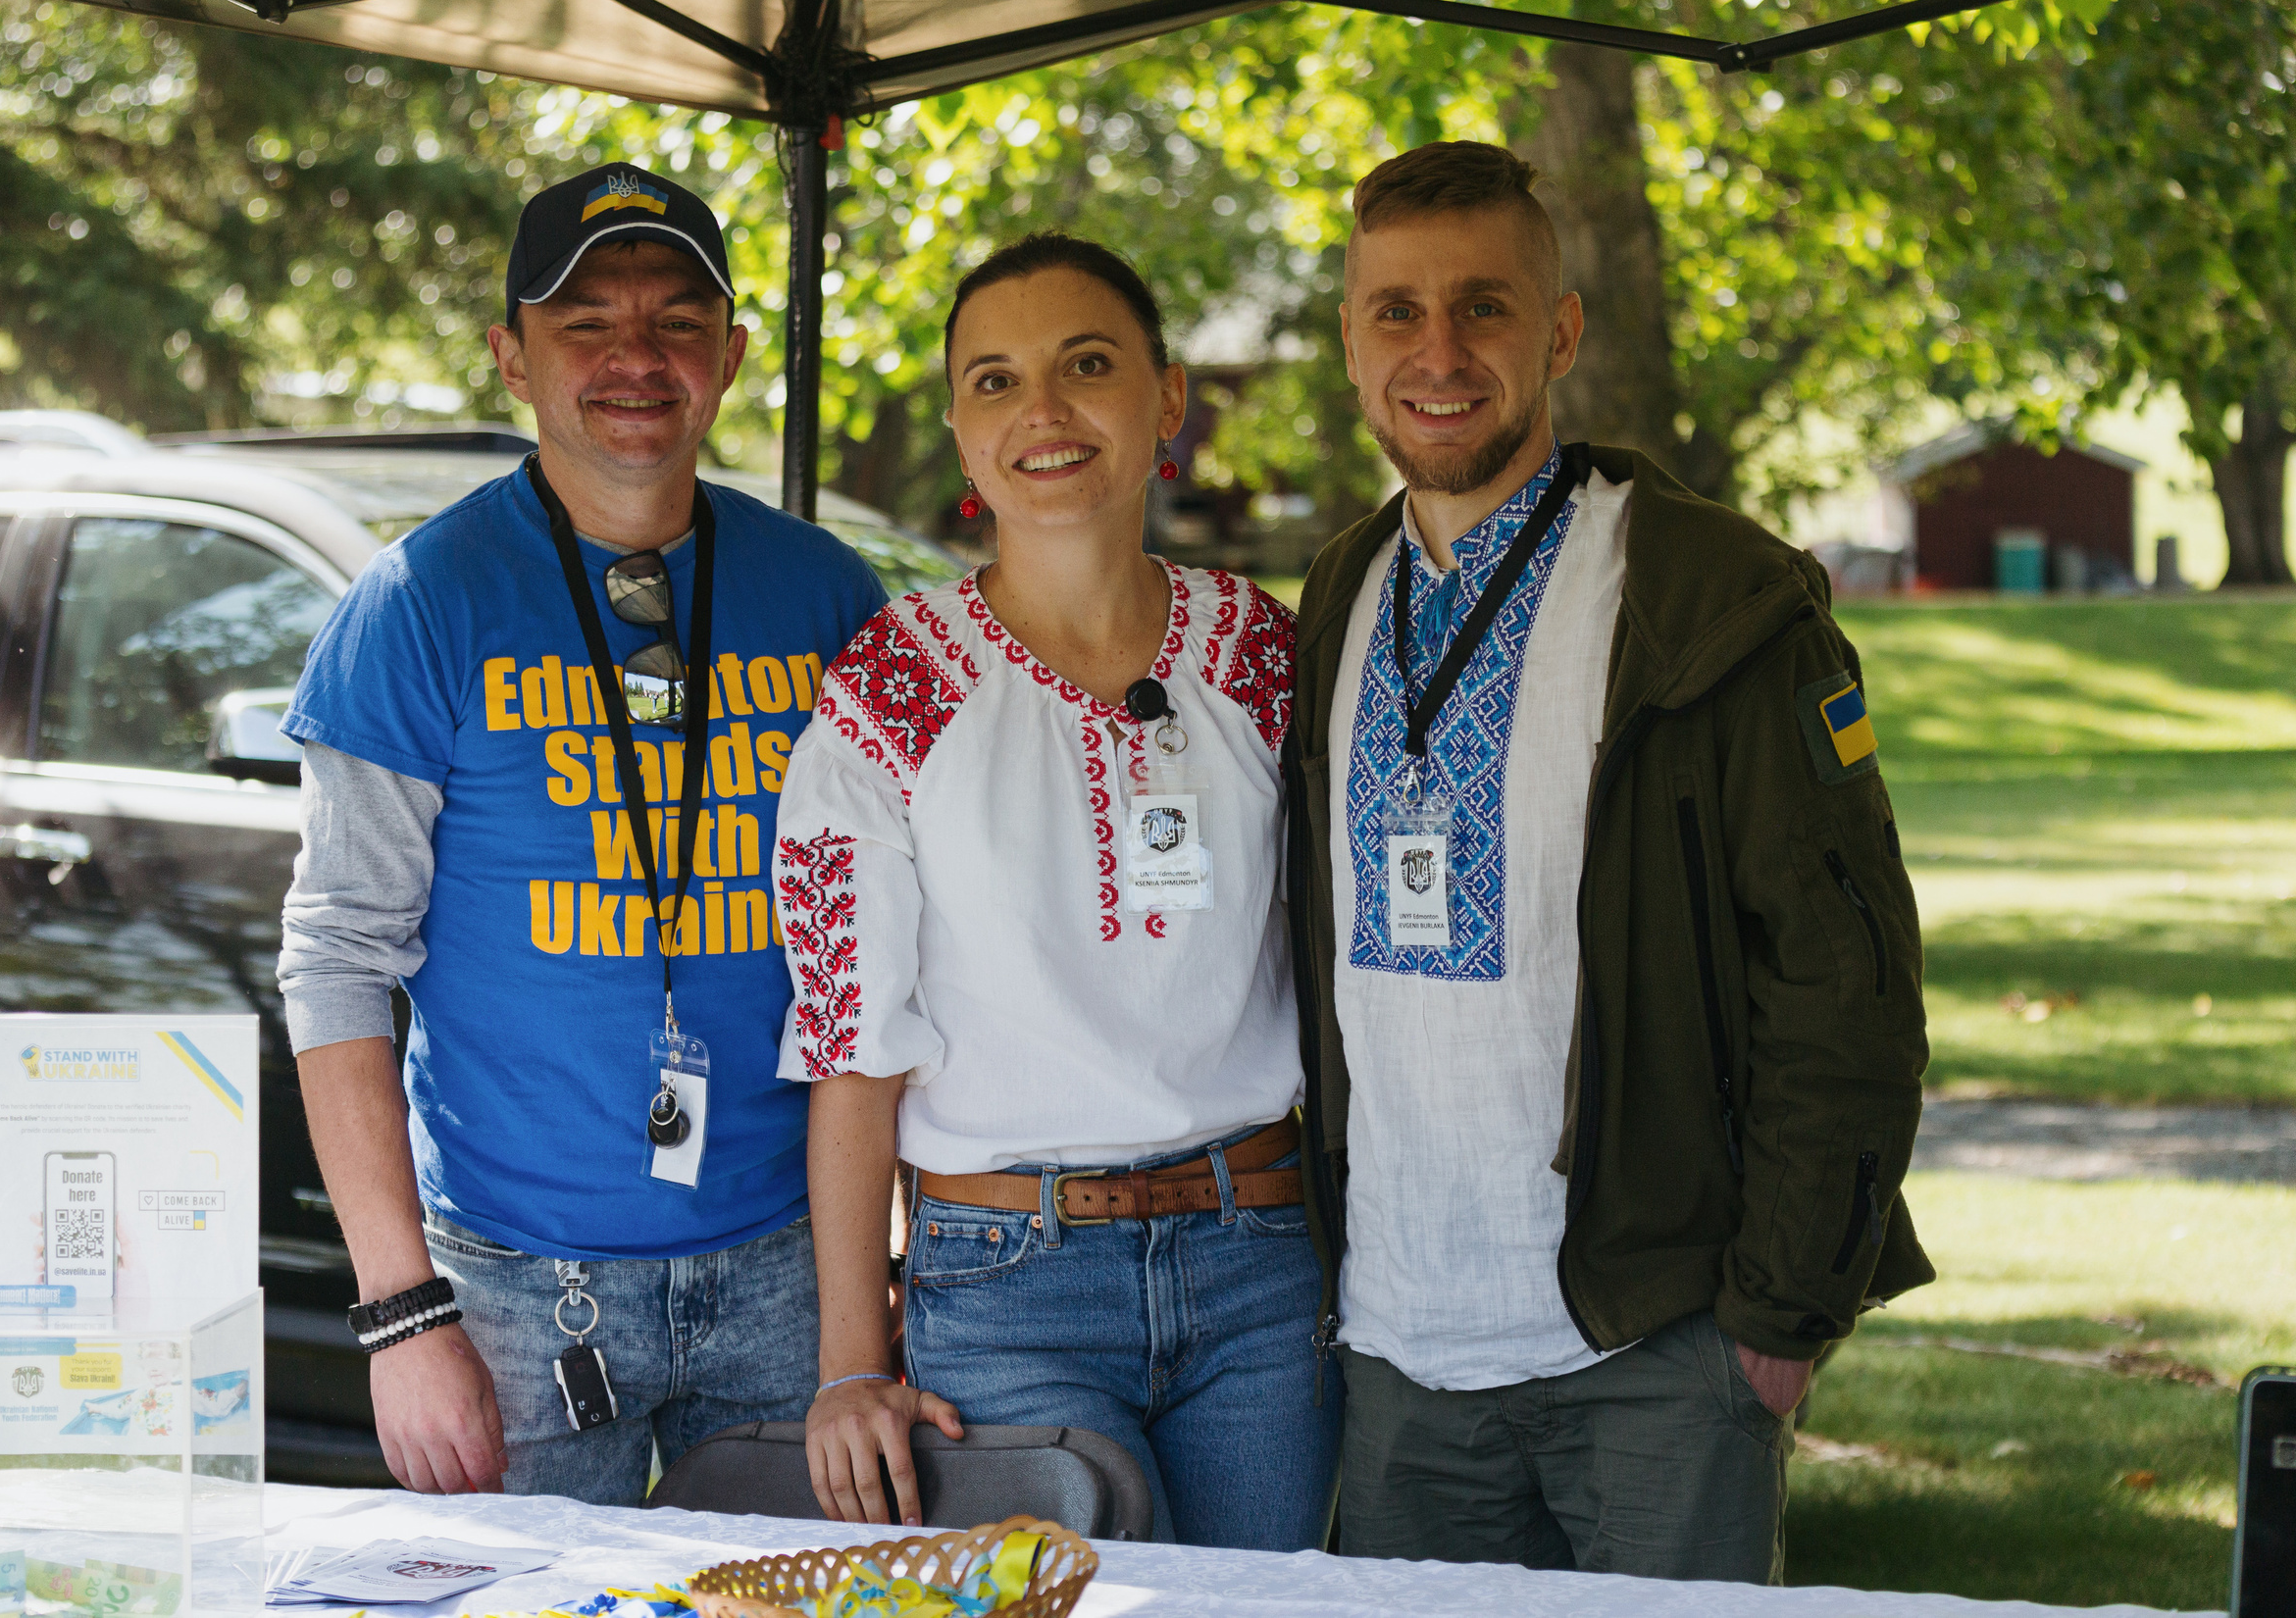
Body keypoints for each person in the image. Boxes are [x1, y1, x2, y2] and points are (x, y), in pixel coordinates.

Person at [1283, 140, 1933, 1581]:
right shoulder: (1338, 590)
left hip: (1653, 1345)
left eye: (1486, 307)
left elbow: (1848, 984)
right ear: (1348, 338)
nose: (1437, 352)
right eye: (1395, 311)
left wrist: (1779, 1316)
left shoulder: (1712, 592)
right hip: (1397, 1354)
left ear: (1562, 328)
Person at [275, 160, 887, 1502]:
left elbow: (901, 954)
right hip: (513, 1289)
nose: (635, 359)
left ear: (729, 356)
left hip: (794, 1271)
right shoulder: (420, 602)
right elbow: (336, 964)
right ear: (512, 356)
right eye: (584, 323)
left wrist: (875, 1290)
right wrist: (400, 1314)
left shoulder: (829, 595)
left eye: (675, 322)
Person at [774, 232, 1334, 1548]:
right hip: (1007, 1283)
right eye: (994, 381)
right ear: (965, 439)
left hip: (1261, 1263)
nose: (1043, 412)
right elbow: (854, 1048)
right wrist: (854, 1364)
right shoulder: (889, 691)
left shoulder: (1259, 652)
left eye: (1089, 365)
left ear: (1168, 400)